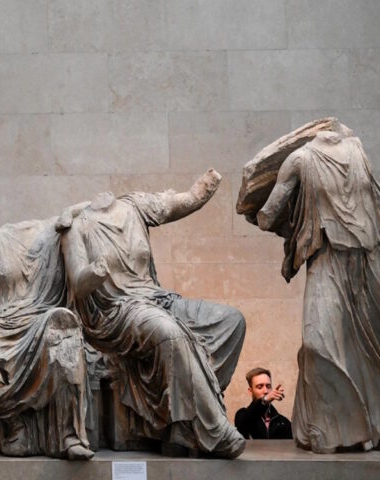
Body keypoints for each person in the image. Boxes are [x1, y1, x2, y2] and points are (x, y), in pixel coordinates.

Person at [257, 128, 380, 453]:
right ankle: (335, 430)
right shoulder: (300, 159)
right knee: (318, 343)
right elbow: (267, 216)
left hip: (370, 260)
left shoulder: (358, 152)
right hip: (327, 257)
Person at [60, 169, 247, 458]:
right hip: (116, 312)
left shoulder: (135, 206)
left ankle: (186, 423)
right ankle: (213, 428)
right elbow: (79, 284)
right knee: (169, 333)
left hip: (156, 299)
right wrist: (95, 272)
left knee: (232, 321)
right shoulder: (76, 226)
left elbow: (189, 199)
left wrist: (210, 181)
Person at [0, 210, 93, 460]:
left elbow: (92, 207)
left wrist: (69, 214)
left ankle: (69, 436)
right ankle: (13, 421)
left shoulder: (59, 233)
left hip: (42, 320)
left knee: (62, 325)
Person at [234, 367, 292, 439]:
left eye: (268, 386)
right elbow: (243, 424)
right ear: (250, 391)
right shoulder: (242, 415)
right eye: (260, 387)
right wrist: (264, 400)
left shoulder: (283, 422)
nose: (266, 391)